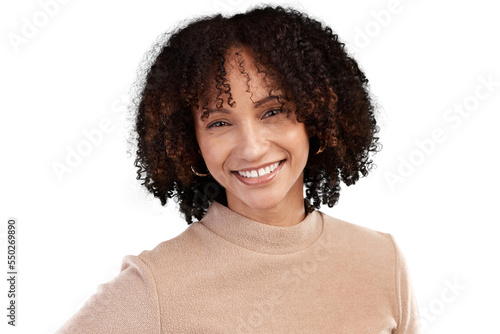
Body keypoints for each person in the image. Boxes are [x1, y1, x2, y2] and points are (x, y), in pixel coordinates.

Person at [56, 5, 420, 333]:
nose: (252, 147)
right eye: (218, 123)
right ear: (190, 142)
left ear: (316, 118)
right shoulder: (155, 287)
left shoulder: (381, 261)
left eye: (273, 111)